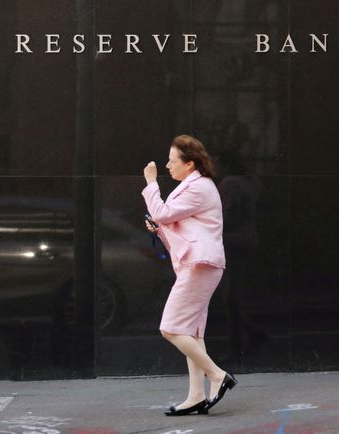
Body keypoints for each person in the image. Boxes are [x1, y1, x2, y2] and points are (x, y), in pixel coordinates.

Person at [142, 134, 237, 415]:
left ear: (189, 163)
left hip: (200, 264)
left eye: (172, 161)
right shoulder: (194, 186)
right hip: (199, 263)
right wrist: (160, 229)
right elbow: (179, 223)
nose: (167, 166)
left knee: (170, 328)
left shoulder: (198, 188)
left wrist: (150, 183)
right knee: (192, 332)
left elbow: (162, 212)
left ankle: (217, 375)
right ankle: (196, 395)